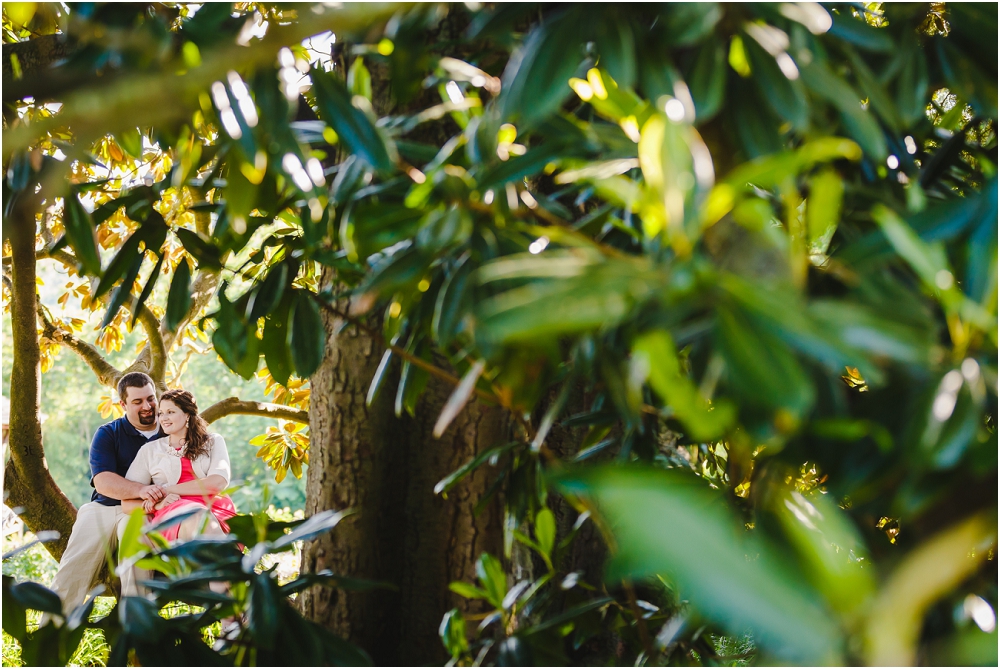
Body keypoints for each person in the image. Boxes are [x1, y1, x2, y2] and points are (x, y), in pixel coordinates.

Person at [48, 372, 167, 615]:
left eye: (151, 399)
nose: (147, 407)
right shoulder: (108, 433)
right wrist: (142, 489)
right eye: (137, 402)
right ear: (122, 405)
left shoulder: (170, 431)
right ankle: (48, 642)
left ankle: (138, 632)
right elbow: (103, 482)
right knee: (72, 570)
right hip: (103, 508)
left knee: (136, 563)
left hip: (141, 511)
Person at [124, 389, 235, 543]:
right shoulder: (149, 451)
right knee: (196, 515)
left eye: (170, 412)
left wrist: (165, 490)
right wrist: (157, 505)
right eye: (161, 413)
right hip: (172, 514)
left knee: (204, 521)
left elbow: (217, 483)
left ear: (187, 414)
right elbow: (127, 503)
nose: (164, 418)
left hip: (216, 509)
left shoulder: (213, 441)